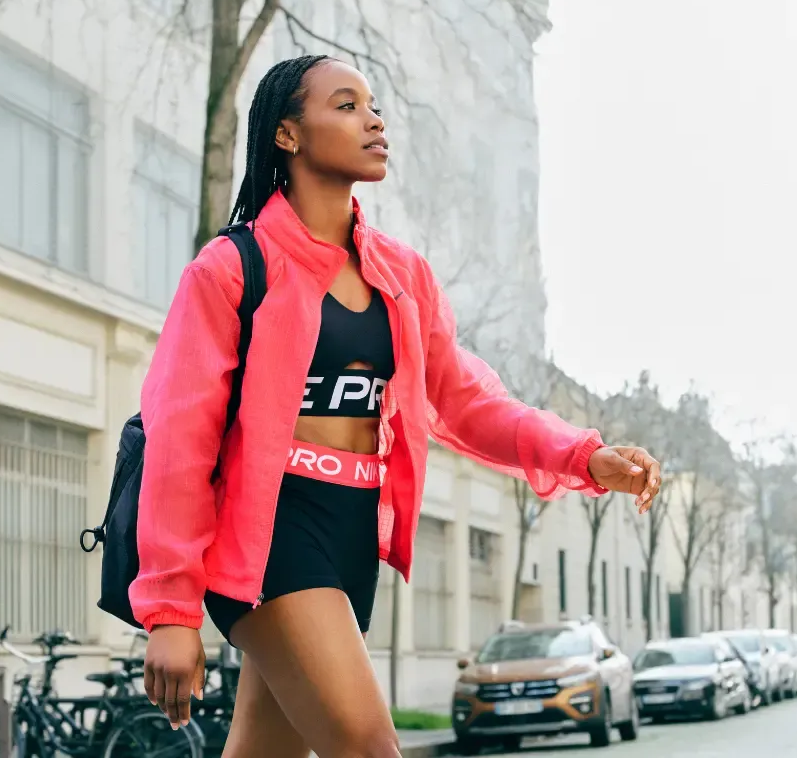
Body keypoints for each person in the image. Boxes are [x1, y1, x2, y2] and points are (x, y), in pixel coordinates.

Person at [129, 54, 663, 758]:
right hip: (270, 534)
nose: (373, 119)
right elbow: (179, 439)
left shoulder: (401, 274)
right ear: (287, 135)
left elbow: (466, 399)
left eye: (373, 104)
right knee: (367, 747)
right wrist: (169, 611)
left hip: (349, 531)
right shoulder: (233, 268)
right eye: (346, 105)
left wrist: (580, 454)